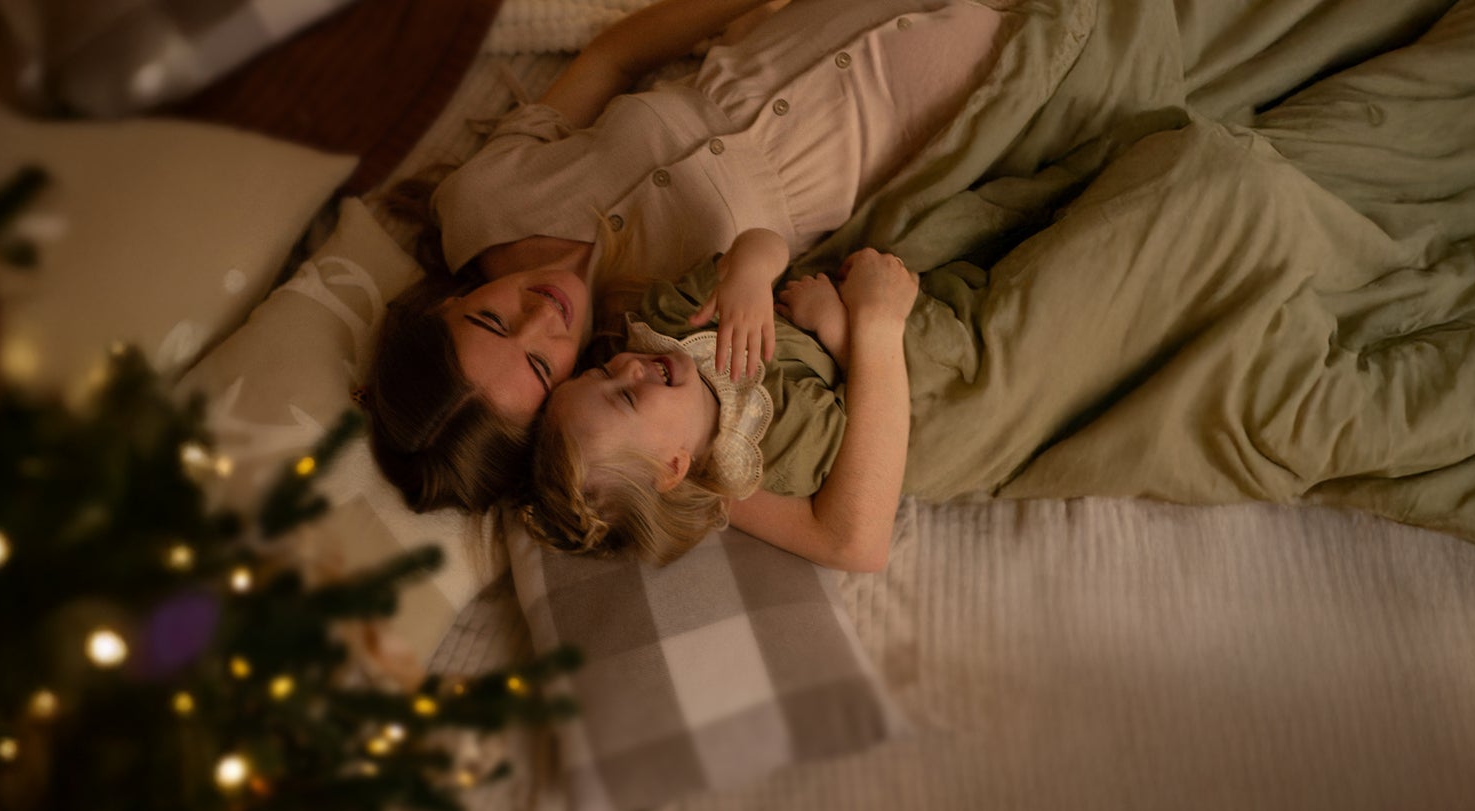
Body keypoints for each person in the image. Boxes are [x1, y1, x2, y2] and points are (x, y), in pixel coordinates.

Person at [365, 0, 1005, 512]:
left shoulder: (477, 203)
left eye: (491, 320)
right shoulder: (663, 344)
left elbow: (613, 58)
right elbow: (846, 537)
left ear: (451, 304)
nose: (542, 315)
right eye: (538, 364)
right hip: (917, 109)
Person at [523, 237, 919, 571]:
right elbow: (876, 416)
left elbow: (759, 243)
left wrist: (751, 272)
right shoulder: (781, 448)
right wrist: (841, 328)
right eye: (626, 396)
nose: (628, 366)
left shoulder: (669, 322)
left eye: (601, 372)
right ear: (673, 467)